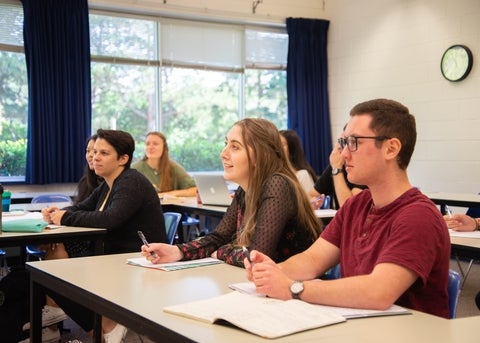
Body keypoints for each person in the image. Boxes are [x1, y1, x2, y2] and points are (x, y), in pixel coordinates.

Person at [245, 98, 451, 318]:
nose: (344, 155)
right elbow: (313, 260)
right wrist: (272, 272)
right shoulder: (356, 205)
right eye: (343, 143)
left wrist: (293, 288)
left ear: (391, 148)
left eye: (354, 142)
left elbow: (378, 292)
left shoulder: (418, 216)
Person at [141, 118, 322, 267]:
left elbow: (256, 257)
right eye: (226, 144)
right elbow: (219, 237)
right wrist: (177, 251)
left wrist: (219, 251)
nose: (223, 153)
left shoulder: (278, 183)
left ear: (260, 155)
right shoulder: (245, 190)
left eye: (235, 147)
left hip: (297, 296)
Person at [41, 129, 167, 342]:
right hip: (112, 254)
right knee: (51, 263)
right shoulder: (108, 185)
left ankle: (103, 329)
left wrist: (63, 218)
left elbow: (109, 220)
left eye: (104, 153)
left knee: (55, 272)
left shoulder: (130, 181)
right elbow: (80, 208)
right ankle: (102, 329)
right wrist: (57, 213)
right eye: (94, 151)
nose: (95, 157)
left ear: (123, 159)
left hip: (135, 259)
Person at [132, 131, 197, 197]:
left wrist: (168, 194)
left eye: (155, 144)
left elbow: (195, 190)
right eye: (147, 144)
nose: (150, 147)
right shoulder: (135, 169)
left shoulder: (173, 167)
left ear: (164, 147)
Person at [309, 135, 365, 210]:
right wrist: (313, 202)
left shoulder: (364, 168)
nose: (340, 148)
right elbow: (311, 195)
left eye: (350, 142)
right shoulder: (338, 165)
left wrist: (337, 169)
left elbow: (349, 208)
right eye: (341, 142)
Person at [279, 129, 317, 195]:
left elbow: (309, 202)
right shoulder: (275, 173)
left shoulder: (302, 174)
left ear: (292, 148)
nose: (278, 148)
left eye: (282, 145)